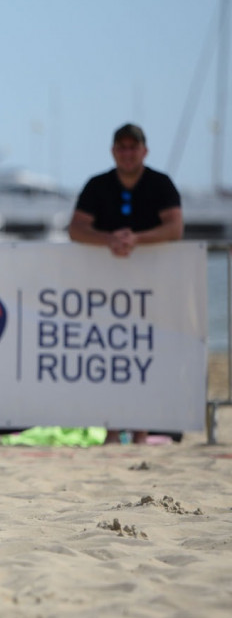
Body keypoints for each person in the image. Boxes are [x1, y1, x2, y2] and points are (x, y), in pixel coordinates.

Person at [68, 123, 184, 444]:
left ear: (144, 151)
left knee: (146, 357)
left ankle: (141, 432)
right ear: (113, 151)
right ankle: (111, 430)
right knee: (109, 358)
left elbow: (175, 228)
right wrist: (108, 240)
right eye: (122, 147)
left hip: (153, 289)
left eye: (133, 147)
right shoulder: (98, 185)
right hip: (106, 290)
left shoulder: (160, 184)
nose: (128, 153)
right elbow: (76, 229)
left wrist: (136, 239)